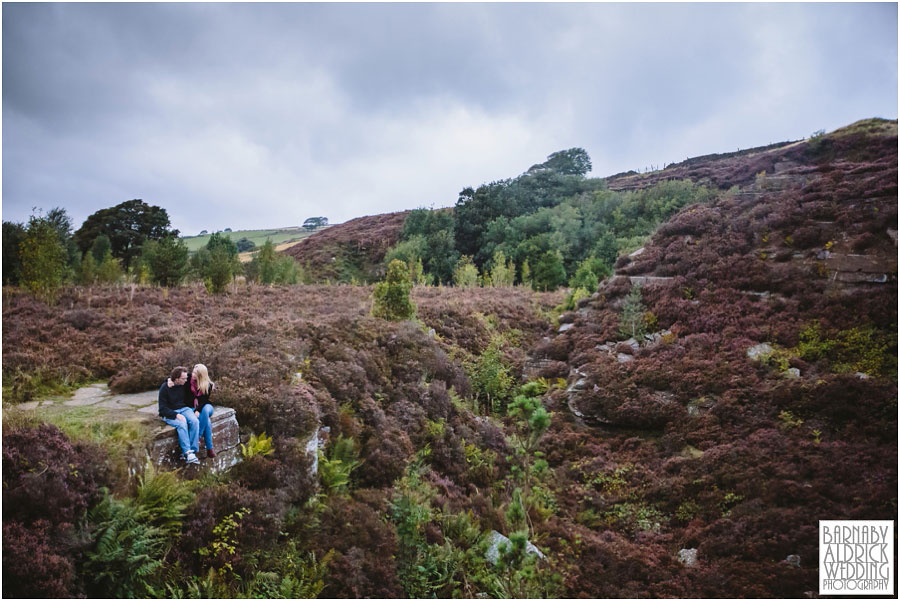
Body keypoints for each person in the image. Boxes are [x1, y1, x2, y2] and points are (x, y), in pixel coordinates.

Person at [158, 366, 200, 464]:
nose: (186, 380)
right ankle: (187, 452)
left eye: (186, 378)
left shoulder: (183, 383)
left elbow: (195, 376)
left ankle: (193, 450)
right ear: (176, 379)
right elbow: (162, 409)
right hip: (170, 412)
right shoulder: (165, 388)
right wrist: (176, 415)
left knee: (194, 421)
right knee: (182, 424)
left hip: (184, 408)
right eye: (183, 379)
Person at [190, 363, 216, 458]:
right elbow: (175, 376)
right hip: (194, 406)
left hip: (206, 406)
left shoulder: (208, 385)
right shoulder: (189, 381)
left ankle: (198, 436)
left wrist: (197, 410)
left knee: (204, 411)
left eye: (195, 373)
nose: (193, 374)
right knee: (207, 421)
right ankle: (210, 449)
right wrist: (167, 381)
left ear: (201, 375)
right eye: (193, 372)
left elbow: (204, 401)